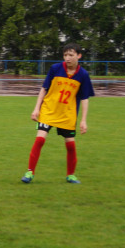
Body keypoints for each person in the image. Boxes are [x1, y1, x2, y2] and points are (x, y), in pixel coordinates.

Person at [22, 42, 94, 184]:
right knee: (40, 139)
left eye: (71, 55)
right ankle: (29, 172)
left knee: (70, 145)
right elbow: (44, 89)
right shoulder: (55, 69)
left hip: (67, 114)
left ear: (79, 56)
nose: (67, 58)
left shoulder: (83, 75)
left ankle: (71, 175)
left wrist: (83, 120)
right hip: (48, 111)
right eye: (65, 55)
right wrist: (36, 108)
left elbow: (85, 98)